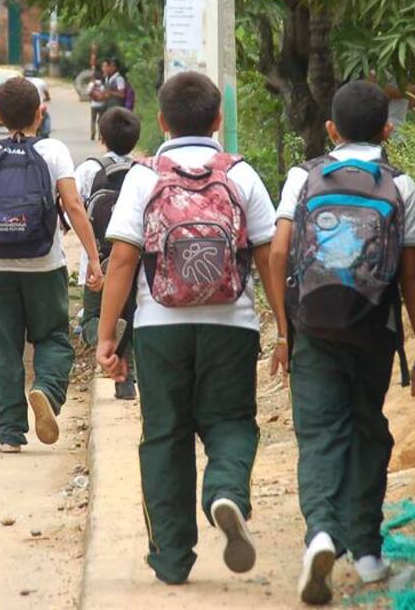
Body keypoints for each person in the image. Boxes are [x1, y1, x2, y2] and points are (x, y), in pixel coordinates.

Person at [96, 71, 279, 586]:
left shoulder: (144, 175)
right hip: (232, 325)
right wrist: (286, 330)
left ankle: (172, 559)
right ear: (219, 120)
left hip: (160, 327)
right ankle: (224, 491)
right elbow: (268, 256)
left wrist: (108, 335)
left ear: (161, 122)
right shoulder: (240, 174)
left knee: (164, 437)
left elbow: (124, 260)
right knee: (233, 423)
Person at [266, 80, 415, 605]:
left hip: (311, 325)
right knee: (368, 429)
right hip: (373, 330)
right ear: (388, 129)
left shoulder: (304, 176)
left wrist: (282, 328)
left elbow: (277, 255)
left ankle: (320, 533)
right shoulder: (400, 185)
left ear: (330, 130)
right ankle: (366, 554)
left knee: (319, 432)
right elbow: (411, 279)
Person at [0, 77, 104, 454]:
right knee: (53, 337)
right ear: (40, 113)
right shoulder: (53, 151)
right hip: (44, 264)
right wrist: (94, 257)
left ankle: (10, 433)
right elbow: (73, 206)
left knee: (4, 348)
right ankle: (46, 392)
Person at [74, 107, 141, 400]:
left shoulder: (89, 170)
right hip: (136, 260)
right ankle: (127, 381)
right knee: (135, 317)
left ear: (102, 138)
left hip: (97, 262)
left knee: (91, 317)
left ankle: (107, 335)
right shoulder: (143, 172)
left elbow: (70, 205)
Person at [88, 69, 107, 140]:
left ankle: (93, 133)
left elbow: (88, 93)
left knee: (93, 120)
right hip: (101, 104)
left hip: (93, 105)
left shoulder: (91, 84)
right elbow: (105, 94)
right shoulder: (102, 84)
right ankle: (100, 135)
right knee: (101, 120)